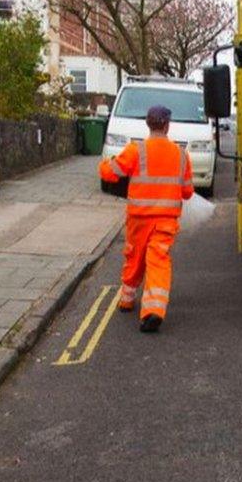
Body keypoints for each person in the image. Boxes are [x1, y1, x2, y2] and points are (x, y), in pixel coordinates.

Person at [99, 105, 194, 333]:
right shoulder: (181, 155)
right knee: (158, 261)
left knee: (134, 256)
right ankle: (154, 311)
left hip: (139, 218)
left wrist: (105, 162)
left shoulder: (135, 150)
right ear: (167, 125)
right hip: (166, 220)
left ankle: (127, 299)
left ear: (148, 123)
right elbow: (188, 192)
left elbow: (109, 173)